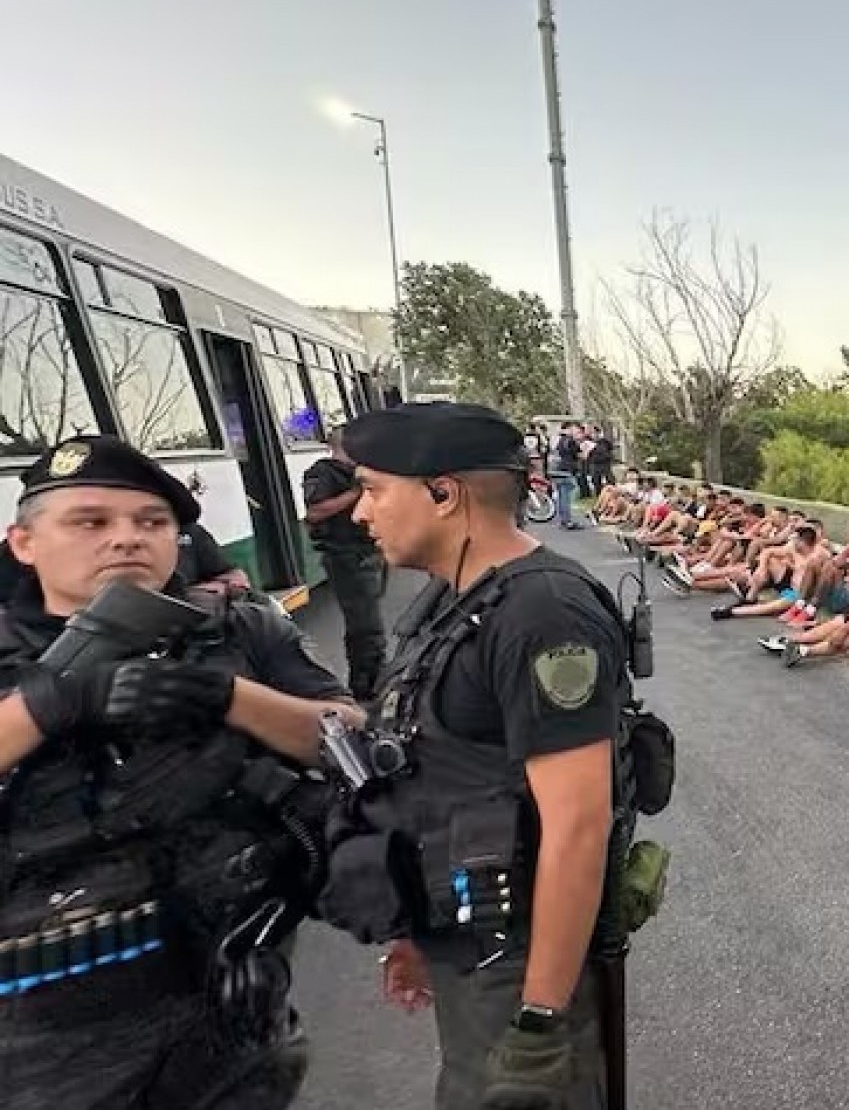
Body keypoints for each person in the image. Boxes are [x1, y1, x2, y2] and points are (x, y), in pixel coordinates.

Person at [0, 435, 353, 1109]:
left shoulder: (239, 631)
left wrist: (228, 697)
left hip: (232, 1003)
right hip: (44, 1041)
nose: (127, 540)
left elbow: (350, 740)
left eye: (153, 523)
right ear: (24, 543)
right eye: (91, 522)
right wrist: (55, 702)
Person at [331, 402, 627, 1110]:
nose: (359, 513)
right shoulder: (454, 600)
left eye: (373, 488)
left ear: (443, 492)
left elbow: (579, 826)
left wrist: (539, 1019)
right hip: (468, 939)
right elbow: (438, 773)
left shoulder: (541, 613)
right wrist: (416, 930)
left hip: (517, 964)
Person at [303, 428, 387, 700]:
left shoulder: (358, 473)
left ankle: (371, 677)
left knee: (368, 620)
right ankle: (366, 685)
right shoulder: (322, 473)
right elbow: (315, 512)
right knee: (365, 624)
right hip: (344, 555)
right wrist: (354, 494)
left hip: (365, 551)